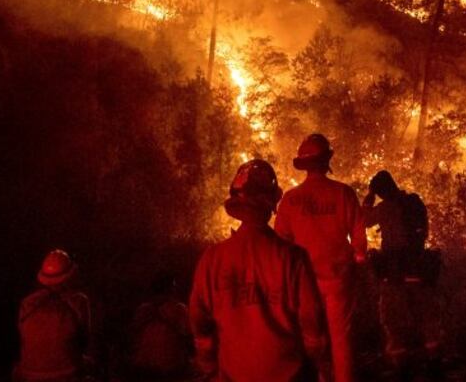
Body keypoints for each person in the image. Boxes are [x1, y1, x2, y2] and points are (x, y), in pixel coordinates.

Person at [190, 158, 331, 381]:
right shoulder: (293, 258)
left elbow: (199, 322)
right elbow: (312, 321)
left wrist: (209, 366)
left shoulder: (212, 259)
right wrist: (316, 365)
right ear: (272, 203)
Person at [275, 133, 367, 382]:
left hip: (304, 283)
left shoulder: (291, 200)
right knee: (341, 340)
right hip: (338, 278)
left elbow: (281, 243)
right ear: (326, 160)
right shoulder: (343, 193)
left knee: (308, 338)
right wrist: (358, 261)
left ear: (303, 165)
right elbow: (359, 235)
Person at [362, 170, 441, 377]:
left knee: (392, 318)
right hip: (418, 267)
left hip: (395, 271)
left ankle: (401, 365)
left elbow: (363, 220)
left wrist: (368, 199)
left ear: (380, 192)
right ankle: (434, 361)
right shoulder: (415, 202)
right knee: (426, 315)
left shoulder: (385, 208)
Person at [14, 249, 94, 382]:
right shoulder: (78, 301)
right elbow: (84, 340)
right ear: (71, 275)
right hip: (68, 374)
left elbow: (22, 335)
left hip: (28, 374)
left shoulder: (28, 303)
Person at [124, 273, 191, 380]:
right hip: (151, 365)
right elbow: (133, 332)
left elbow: (186, 333)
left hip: (168, 364)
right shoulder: (146, 309)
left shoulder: (178, 309)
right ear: (169, 288)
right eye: (173, 286)